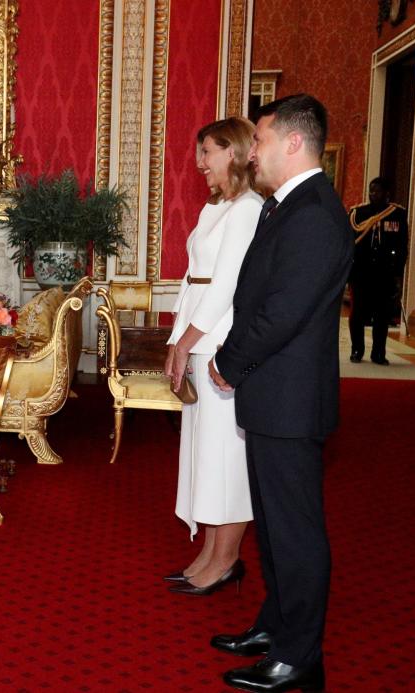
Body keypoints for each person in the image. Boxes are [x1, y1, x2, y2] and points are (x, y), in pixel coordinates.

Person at [208, 94, 353, 692]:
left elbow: (282, 312)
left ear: (294, 143)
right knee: (270, 525)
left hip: (290, 398)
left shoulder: (314, 212)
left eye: (261, 142)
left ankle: (300, 655)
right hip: (273, 395)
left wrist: (229, 361)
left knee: (295, 529)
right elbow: (257, 296)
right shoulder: (285, 207)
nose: (254, 154)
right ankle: (276, 623)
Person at [163, 117, 261, 596]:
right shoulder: (216, 207)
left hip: (221, 340)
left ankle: (226, 561)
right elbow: (191, 278)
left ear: (234, 152)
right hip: (198, 335)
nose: (199, 162)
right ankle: (209, 554)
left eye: (208, 151)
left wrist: (187, 341)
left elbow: (225, 287)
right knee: (206, 452)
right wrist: (176, 339)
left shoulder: (248, 209)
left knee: (227, 456)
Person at [348, 177, 409, 365]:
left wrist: (398, 273)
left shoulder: (397, 214)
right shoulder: (358, 213)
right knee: (357, 314)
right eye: (371, 191)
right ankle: (357, 350)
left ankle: (378, 353)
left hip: (384, 273)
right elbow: (351, 244)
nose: (373, 194)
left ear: (387, 193)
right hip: (361, 272)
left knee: (382, 316)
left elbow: (401, 247)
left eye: (377, 191)